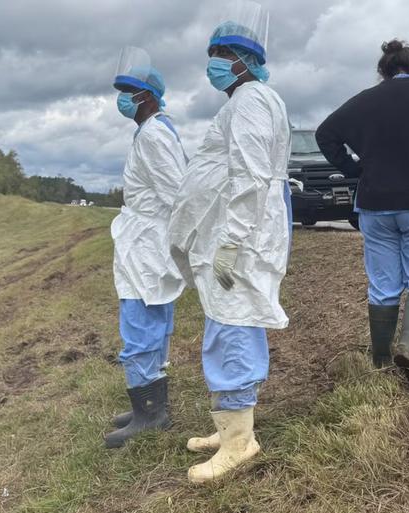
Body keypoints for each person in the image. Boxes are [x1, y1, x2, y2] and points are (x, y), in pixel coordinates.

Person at [168, 0, 292, 484]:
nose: (214, 61)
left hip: (240, 235)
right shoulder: (245, 101)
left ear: (246, 60)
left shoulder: (252, 100)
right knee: (229, 323)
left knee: (232, 326)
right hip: (233, 232)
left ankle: (240, 442)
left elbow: (251, 175)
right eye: (212, 51)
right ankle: (232, 426)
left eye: (223, 52)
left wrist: (234, 241)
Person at [316, 40, 409, 390]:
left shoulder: (364, 101)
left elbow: (325, 134)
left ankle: (381, 362)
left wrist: (352, 169)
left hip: (375, 204)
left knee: (383, 286)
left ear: (383, 71)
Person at [104, 47, 188, 449]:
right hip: (145, 240)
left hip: (148, 244)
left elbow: (176, 193)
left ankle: (150, 412)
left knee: (139, 322)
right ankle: (149, 402)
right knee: (149, 320)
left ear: (149, 96)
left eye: (130, 90)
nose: (123, 97)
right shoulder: (151, 131)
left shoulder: (154, 134)